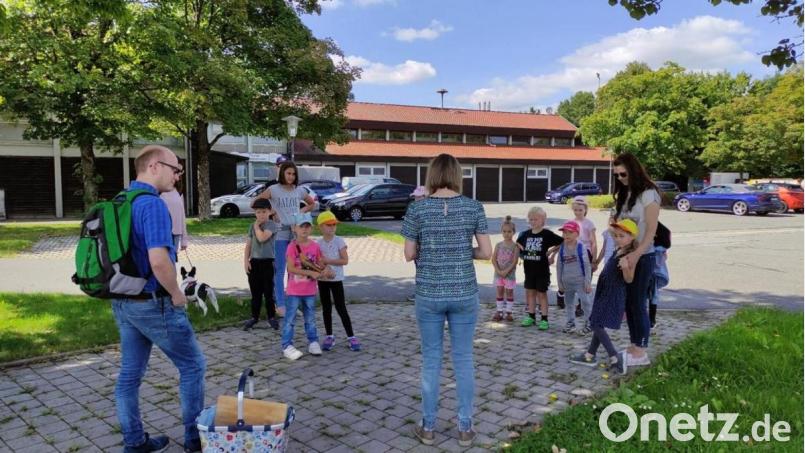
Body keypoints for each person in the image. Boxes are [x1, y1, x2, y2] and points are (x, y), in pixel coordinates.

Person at [112, 145, 206, 453]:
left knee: (129, 375)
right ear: (154, 166)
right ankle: (195, 440)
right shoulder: (152, 204)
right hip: (155, 303)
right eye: (175, 169)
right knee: (193, 366)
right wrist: (177, 294)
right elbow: (159, 260)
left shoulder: (120, 200)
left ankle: (134, 442)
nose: (178, 176)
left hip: (123, 301)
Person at [402, 153, 491, 448]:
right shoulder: (473, 207)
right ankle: (465, 428)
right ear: (456, 175)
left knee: (431, 360)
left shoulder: (418, 210)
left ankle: (428, 427)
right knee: (463, 359)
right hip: (464, 293)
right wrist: (462, 252)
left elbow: (409, 253)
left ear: (432, 175)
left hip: (429, 293)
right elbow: (486, 252)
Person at [569, 219, 639, 375]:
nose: (618, 238)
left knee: (595, 324)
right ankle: (589, 355)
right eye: (616, 235)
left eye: (622, 236)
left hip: (612, 294)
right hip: (605, 291)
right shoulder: (618, 250)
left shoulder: (629, 256)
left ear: (632, 237)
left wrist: (626, 267)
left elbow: (629, 279)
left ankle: (614, 357)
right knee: (597, 322)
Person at [612, 152, 661, 366]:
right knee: (630, 302)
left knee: (639, 302)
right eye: (617, 175)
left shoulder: (649, 194)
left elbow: (651, 230)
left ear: (633, 170)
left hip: (644, 254)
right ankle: (634, 345)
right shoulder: (625, 193)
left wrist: (636, 253)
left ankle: (641, 351)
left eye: (623, 174)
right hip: (626, 254)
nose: (621, 178)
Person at [253, 161, 317, 318]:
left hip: (295, 234)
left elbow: (312, 203)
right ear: (282, 173)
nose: (291, 176)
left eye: (293, 174)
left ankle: (292, 304)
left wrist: (300, 211)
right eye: (288, 173)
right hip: (279, 234)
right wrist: (271, 212)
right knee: (280, 270)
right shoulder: (273, 190)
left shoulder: (299, 191)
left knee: (293, 270)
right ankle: (280, 305)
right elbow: (255, 203)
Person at [315, 210, 361, 351]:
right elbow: (317, 261)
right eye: (329, 225)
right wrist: (321, 267)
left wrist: (329, 261)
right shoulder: (318, 243)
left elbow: (345, 260)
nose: (332, 227)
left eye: (334, 225)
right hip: (323, 280)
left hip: (336, 280)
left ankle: (351, 337)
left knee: (341, 307)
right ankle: (329, 336)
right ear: (321, 227)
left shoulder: (339, 241)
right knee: (326, 308)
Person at [281, 212, 323, 361]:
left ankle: (313, 341)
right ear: (295, 228)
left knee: (310, 318)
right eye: (301, 226)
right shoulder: (292, 247)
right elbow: (291, 269)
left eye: (307, 226)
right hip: (294, 291)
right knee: (290, 319)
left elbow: (320, 264)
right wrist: (309, 272)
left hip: (310, 290)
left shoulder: (315, 246)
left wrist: (325, 270)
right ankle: (286, 345)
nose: (304, 229)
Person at [516, 206, 563, 330]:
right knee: (530, 293)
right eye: (530, 219)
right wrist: (522, 254)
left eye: (535, 219)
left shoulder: (546, 234)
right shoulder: (525, 234)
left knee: (542, 294)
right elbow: (518, 244)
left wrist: (552, 253)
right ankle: (531, 316)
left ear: (543, 220)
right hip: (529, 270)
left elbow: (562, 242)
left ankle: (544, 319)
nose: (533, 222)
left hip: (542, 271)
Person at [243, 198, 280, 331]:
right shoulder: (251, 227)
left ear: (269, 212)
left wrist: (257, 226)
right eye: (258, 212)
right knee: (255, 292)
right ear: (255, 213)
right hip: (255, 262)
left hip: (267, 262)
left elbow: (262, 237)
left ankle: (271, 317)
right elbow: (248, 245)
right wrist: (246, 261)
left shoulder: (271, 225)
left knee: (268, 292)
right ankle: (254, 317)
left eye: (264, 212)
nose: (261, 215)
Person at [556, 221, 593, 335]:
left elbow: (587, 266)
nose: (566, 235)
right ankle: (570, 323)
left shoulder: (581, 247)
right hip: (567, 281)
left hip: (580, 281)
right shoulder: (562, 248)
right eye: (564, 233)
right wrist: (560, 283)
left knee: (586, 301)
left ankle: (589, 323)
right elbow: (559, 266)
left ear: (577, 234)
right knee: (569, 303)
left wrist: (587, 282)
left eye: (570, 232)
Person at [491, 215, 518, 322]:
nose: (507, 234)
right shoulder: (498, 245)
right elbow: (493, 259)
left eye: (509, 231)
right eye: (504, 231)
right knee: (499, 291)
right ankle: (499, 311)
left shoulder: (515, 246)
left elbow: (515, 261)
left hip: (509, 274)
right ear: (501, 232)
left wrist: (506, 271)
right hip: (498, 273)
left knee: (509, 292)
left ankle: (509, 312)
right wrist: (498, 271)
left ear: (513, 232)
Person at [406, 186, 428, 303]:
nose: (416, 199)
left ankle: (421, 294)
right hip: (418, 249)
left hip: (426, 250)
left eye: (419, 197)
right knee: (419, 271)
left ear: (425, 197)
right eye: (415, 197)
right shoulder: (415, 211)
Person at [160, 187, 189, 253]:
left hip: (176, 232)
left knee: (173, 258)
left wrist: (184, 240)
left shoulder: (179, 193)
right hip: (162, 233)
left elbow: (182, 216)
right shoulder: (158, 192)